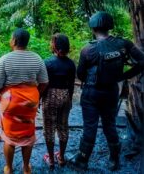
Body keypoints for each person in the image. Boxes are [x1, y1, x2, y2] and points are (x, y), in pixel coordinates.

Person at [71, 11, 144, 171]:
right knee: (109, 125)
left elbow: (81, 75)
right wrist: (124, 76)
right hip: (111, 92)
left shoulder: (87, 50)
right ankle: (114, 160)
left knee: (90, 126)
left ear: (93, 28)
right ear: (109, 26)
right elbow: (142, 61)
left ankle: (82, 161)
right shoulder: (124, 44)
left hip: (91, 93)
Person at [0, 28, 49, 174]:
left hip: (10, 102)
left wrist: (1, 96)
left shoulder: (5, 59)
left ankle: (9, 168)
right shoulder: (37, 58)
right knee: (27, 135)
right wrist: (36, 95)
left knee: (9, 138)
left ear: (14, 41)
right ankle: (26, 168)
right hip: (30, 101)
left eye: (11, 38)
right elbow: (44, 82)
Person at [42, 34, 75, 169]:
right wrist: (70, 99)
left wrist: (40, 99)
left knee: (49, 128)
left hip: (50, 96)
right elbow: (71, 85)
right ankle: (61, 157)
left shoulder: (47, 63)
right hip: (65, 96)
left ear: (55, 46)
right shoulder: (71, 64)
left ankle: (51, 159)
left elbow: (44, 84)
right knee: (63, 127)